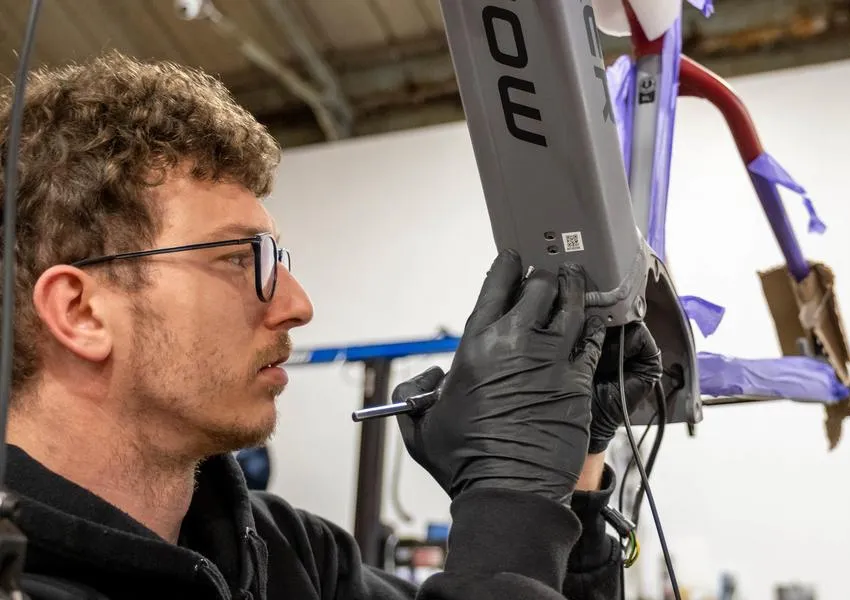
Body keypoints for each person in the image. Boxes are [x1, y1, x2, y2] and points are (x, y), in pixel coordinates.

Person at [0, 52, 664, 600]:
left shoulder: (287, 553)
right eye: (239, 259)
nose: (296, 303)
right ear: (80, 312)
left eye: (276, 259)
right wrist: (505, 505)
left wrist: (569, 467)